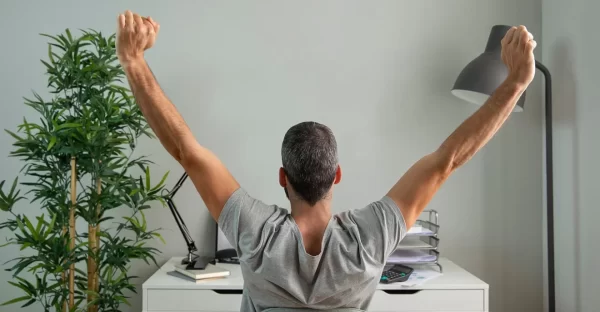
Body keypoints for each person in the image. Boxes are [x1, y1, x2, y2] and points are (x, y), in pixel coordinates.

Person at [115, 10, 537, 312]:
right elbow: (448, 160)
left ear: (283, 177)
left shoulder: (254, 231)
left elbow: (186, 150)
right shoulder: (370, 238)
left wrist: (134, 61)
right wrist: (516, 82)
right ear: (336, 174)